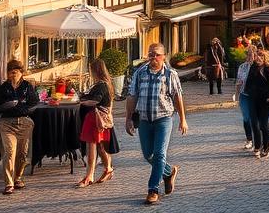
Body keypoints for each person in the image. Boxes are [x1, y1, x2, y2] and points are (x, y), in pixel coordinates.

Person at [124, 42, 188, 205]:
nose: (153, 57)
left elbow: (177, 96)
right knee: (148, 155)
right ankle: (168, 172)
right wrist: (128, 118)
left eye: (156, 54)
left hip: (163, 119)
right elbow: (132, 96)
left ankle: (153, 190)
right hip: (145, 120)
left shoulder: (170, 74)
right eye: (150, 54)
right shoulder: (140, 73)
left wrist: (183, 119)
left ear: (163, 56)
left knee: (159, 154)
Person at [0, 59, 38, 194]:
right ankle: (9, 183)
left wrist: (23, 109)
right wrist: (6, 106)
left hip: (24, 123)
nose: (12, 75)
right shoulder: (3, 88)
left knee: (22, 154)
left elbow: (34, 103)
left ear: (21, 73)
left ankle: (18, 178)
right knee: (9, 152)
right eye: (10, 73)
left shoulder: (27, 86)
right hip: (7, 123)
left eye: (15, 72)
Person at [77, 58, 115, 187]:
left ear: (95, 71)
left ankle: (89, 175)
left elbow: (95, 101)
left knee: (91, 147)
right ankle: (108, 168)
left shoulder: (101, 85)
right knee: (101, 147)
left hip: (96, 118)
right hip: (102, 119)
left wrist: (81, 102)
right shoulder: (106, 84)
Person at [244, 47, 269, 158]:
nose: (259, 58)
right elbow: (248, 84)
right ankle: (257, 145)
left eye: (261, 56)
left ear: (265, 58)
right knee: (254, 123)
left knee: (263, 123)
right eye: (257, 56)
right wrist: (248, 94)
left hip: (266, 101)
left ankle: (266, 147)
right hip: (253, 99)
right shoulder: (253, 68)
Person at [234, 43, 257, 150]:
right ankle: (249, 139)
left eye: (251, 55)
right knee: (246, 118)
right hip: (245, 95)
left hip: (256, 97)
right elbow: (238, 82)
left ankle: (258, 139)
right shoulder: (242, 67)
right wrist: (237, 96)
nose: (249, 57)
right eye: (248, 55)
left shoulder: (259, 67)